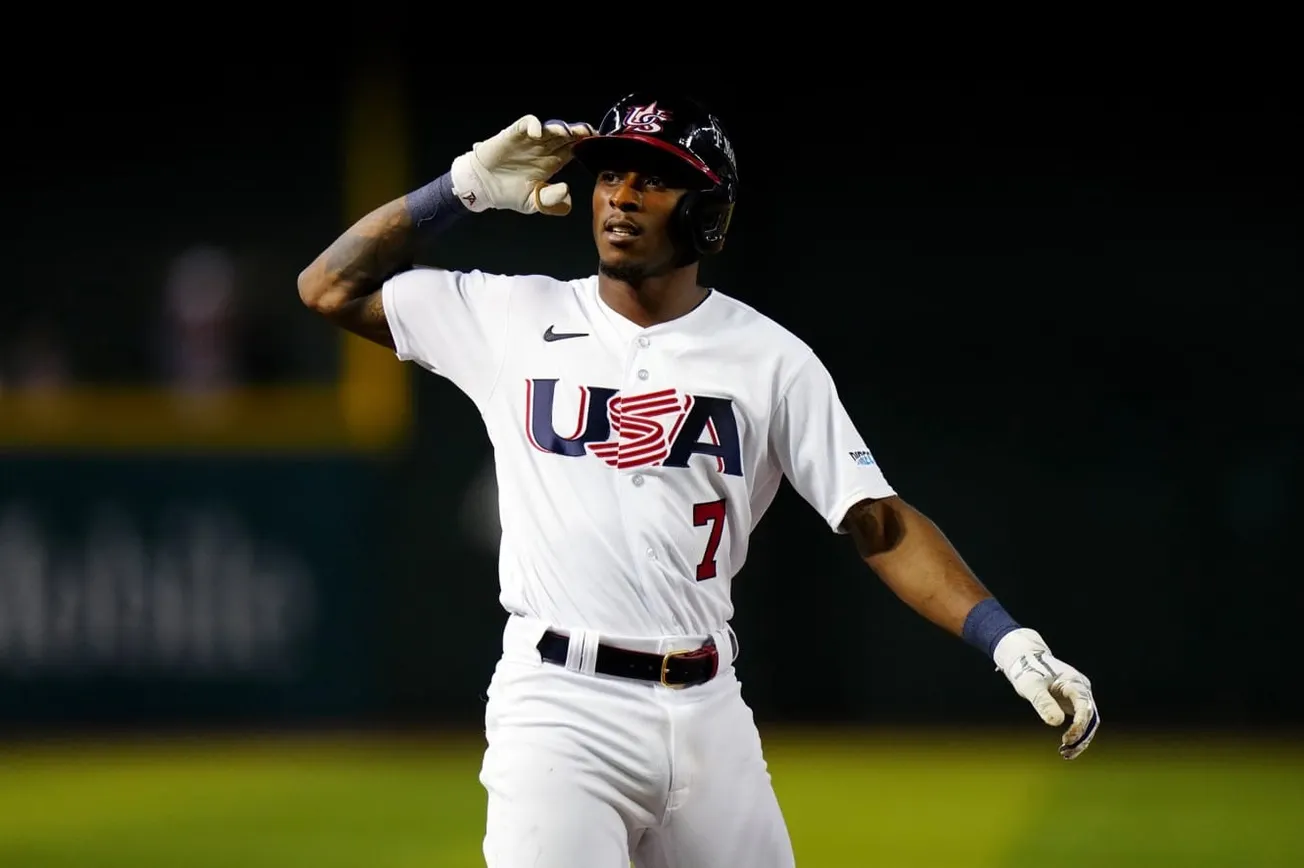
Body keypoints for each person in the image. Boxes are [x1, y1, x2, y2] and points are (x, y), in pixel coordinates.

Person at [297, 92, 1100, 868]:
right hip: (560, 708)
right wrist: (460, 189)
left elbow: (877, 522)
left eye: (653, 177)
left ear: (708, 212)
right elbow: (327, 286)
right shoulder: (509, 317)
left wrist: (1008, 639)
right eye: (610, 173)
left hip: (710, 706)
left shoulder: (769, 356)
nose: (621, 195)